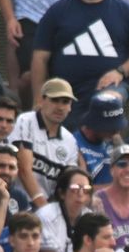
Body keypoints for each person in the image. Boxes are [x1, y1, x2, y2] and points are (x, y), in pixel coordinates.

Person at [31, 0, 129, 120]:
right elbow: (40, 57)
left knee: (108, 102)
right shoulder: (57, 11)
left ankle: (108, 130)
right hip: (63, 90)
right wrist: (38, 99)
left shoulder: (124, 10)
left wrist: (120, 72)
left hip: (111, 86)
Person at [12, 78, 82, 207]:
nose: (60, 107)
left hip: (49, 206)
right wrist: (44, 209)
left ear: (70, 107)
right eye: (55, 100)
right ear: (41, 100)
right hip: (18, 203)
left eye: (65, 102)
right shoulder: (26, 121)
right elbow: (24, 169)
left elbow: (68, 181)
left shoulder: (70, 140)